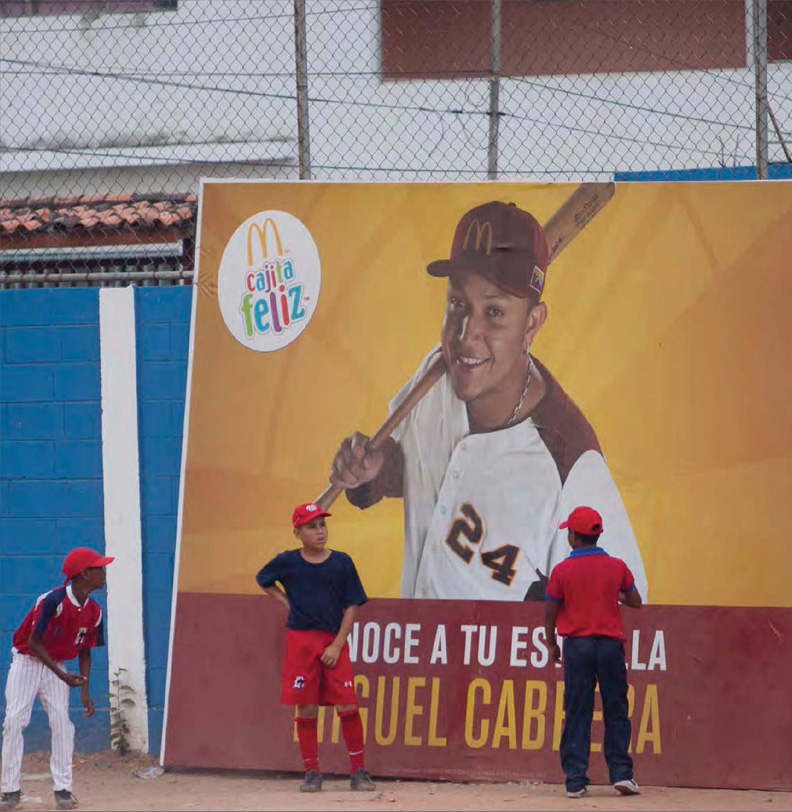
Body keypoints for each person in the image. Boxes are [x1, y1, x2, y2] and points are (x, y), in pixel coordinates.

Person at [329, 200, 648, 602]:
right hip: (416, 659)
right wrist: (373, 470)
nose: (466, 334)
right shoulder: (435, 376)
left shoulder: (569, 463)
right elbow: (411, 466)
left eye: (494, 312)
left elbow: (630, 614)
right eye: (458, 304)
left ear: (531, 324)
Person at [255, 502, 376, 793]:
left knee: (347, 704)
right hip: (301, 641)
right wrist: (287, 603)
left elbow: (352, 605)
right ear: (297, 532)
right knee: (306, 706)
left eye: (322, 525)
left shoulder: (342, 562)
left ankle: (358, 771)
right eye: (311, 526)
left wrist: (337, 644)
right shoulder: (288, 562)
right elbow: (263, 579)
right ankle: (311, 772)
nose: (319, 531)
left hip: (333, 641)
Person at [1, 547, 114, 812]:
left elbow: (85, 649)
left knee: (62, 722)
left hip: (57, 663)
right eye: (99, 568)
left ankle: (63, 789)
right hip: (28, 660)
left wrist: (84, 688)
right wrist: (62, 675)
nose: (104, 572)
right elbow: (33, 642)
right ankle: (10, 790)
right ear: (85, 574)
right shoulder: (52, 600)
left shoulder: (94, 611)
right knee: (15, 720)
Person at [544, 505, 642, 798]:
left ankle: (576, 779)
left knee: (577, 711)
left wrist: (551, 643)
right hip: (610, 646)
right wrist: (616, 595)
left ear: (573, 536)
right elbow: (635, 601)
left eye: (569, 533)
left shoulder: (562, 570)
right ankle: (622, 774)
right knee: (616, 709)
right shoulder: (617, 566)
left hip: (577, 646)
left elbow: (550, 610)